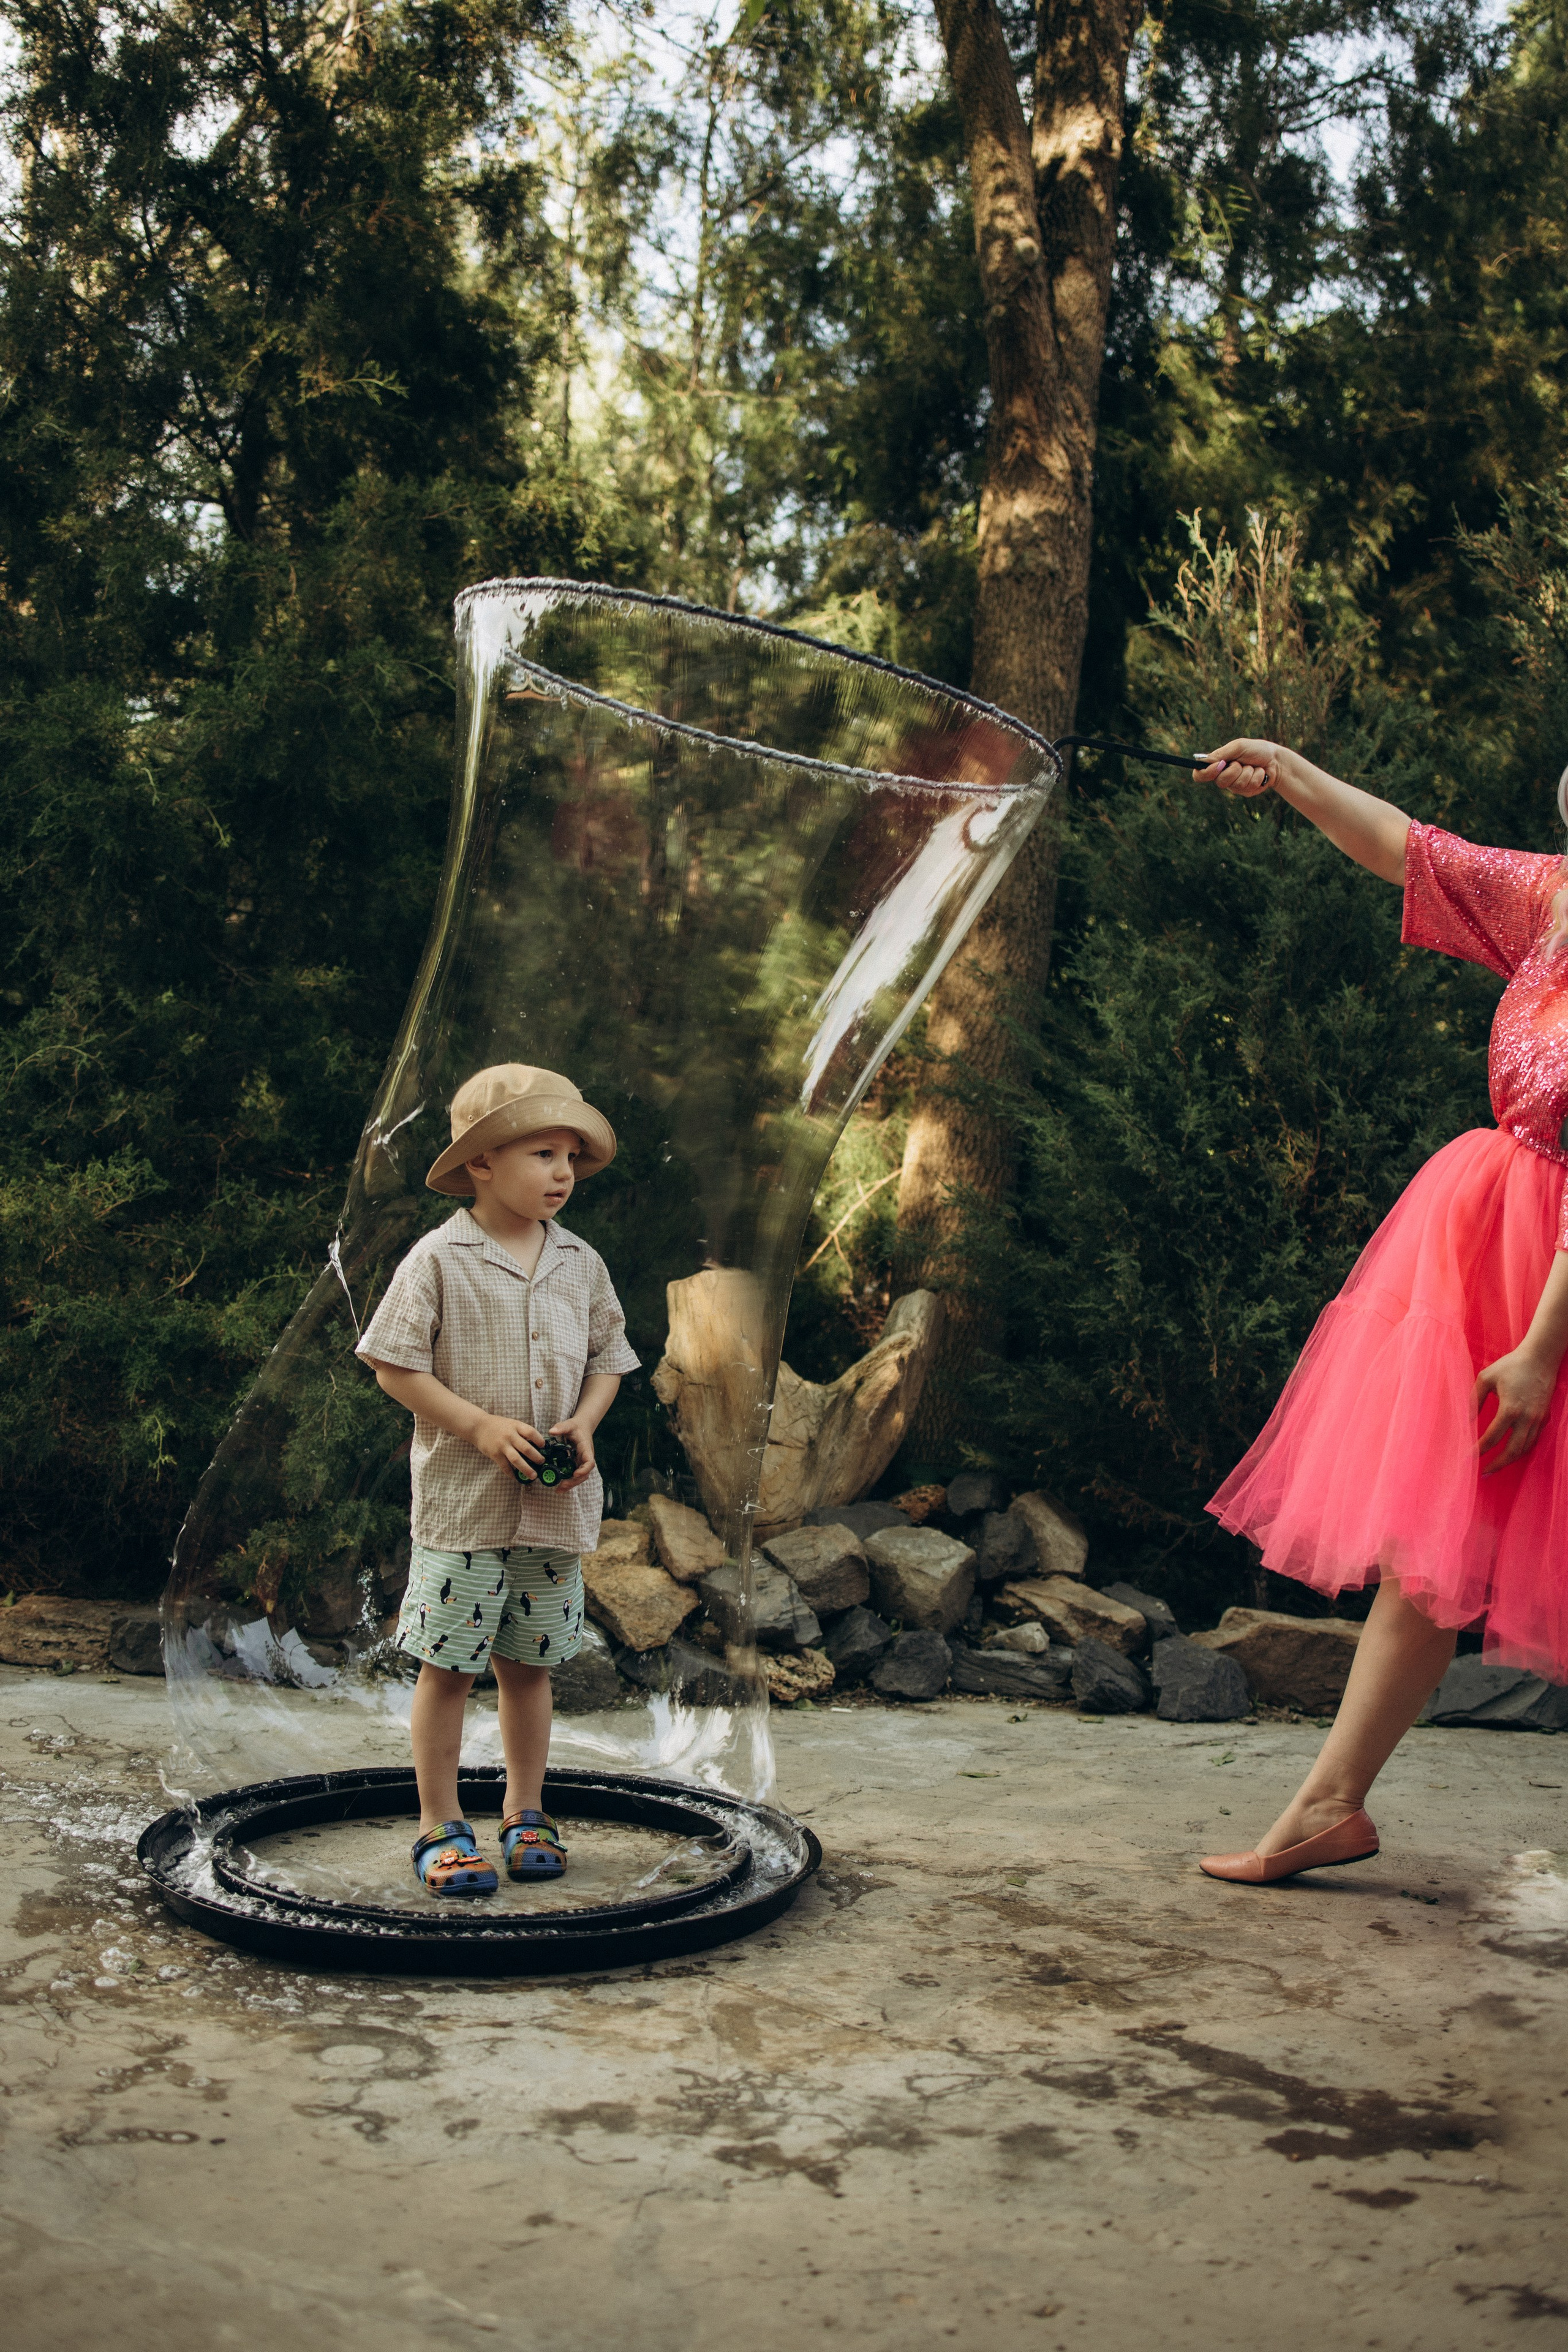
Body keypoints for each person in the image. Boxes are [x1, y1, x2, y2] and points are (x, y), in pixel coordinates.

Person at [1194, 740, 1568, 1884]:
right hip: (1502, 1244)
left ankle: (1327, 1802)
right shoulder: (1554, 895)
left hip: (1552, 1292)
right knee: (1434, 1548)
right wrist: (1290, 773)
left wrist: (1542, 1350)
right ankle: (1327, 1806)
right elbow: (1411, 850)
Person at [356, 1063, 639, 1896]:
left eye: (571, 1158)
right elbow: (391, 1363)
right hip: (465, 1508)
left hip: (551, 1513)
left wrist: (584, 1422)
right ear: (481, 1163)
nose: (563, 1173)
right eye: (543, 1153)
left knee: (530, 1666)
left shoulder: (582, 1264)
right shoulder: (441, 1258)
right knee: (449, 1667)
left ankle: (525, 1810)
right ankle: (440, 1822)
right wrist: (477, 1425)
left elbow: (610, 1362)